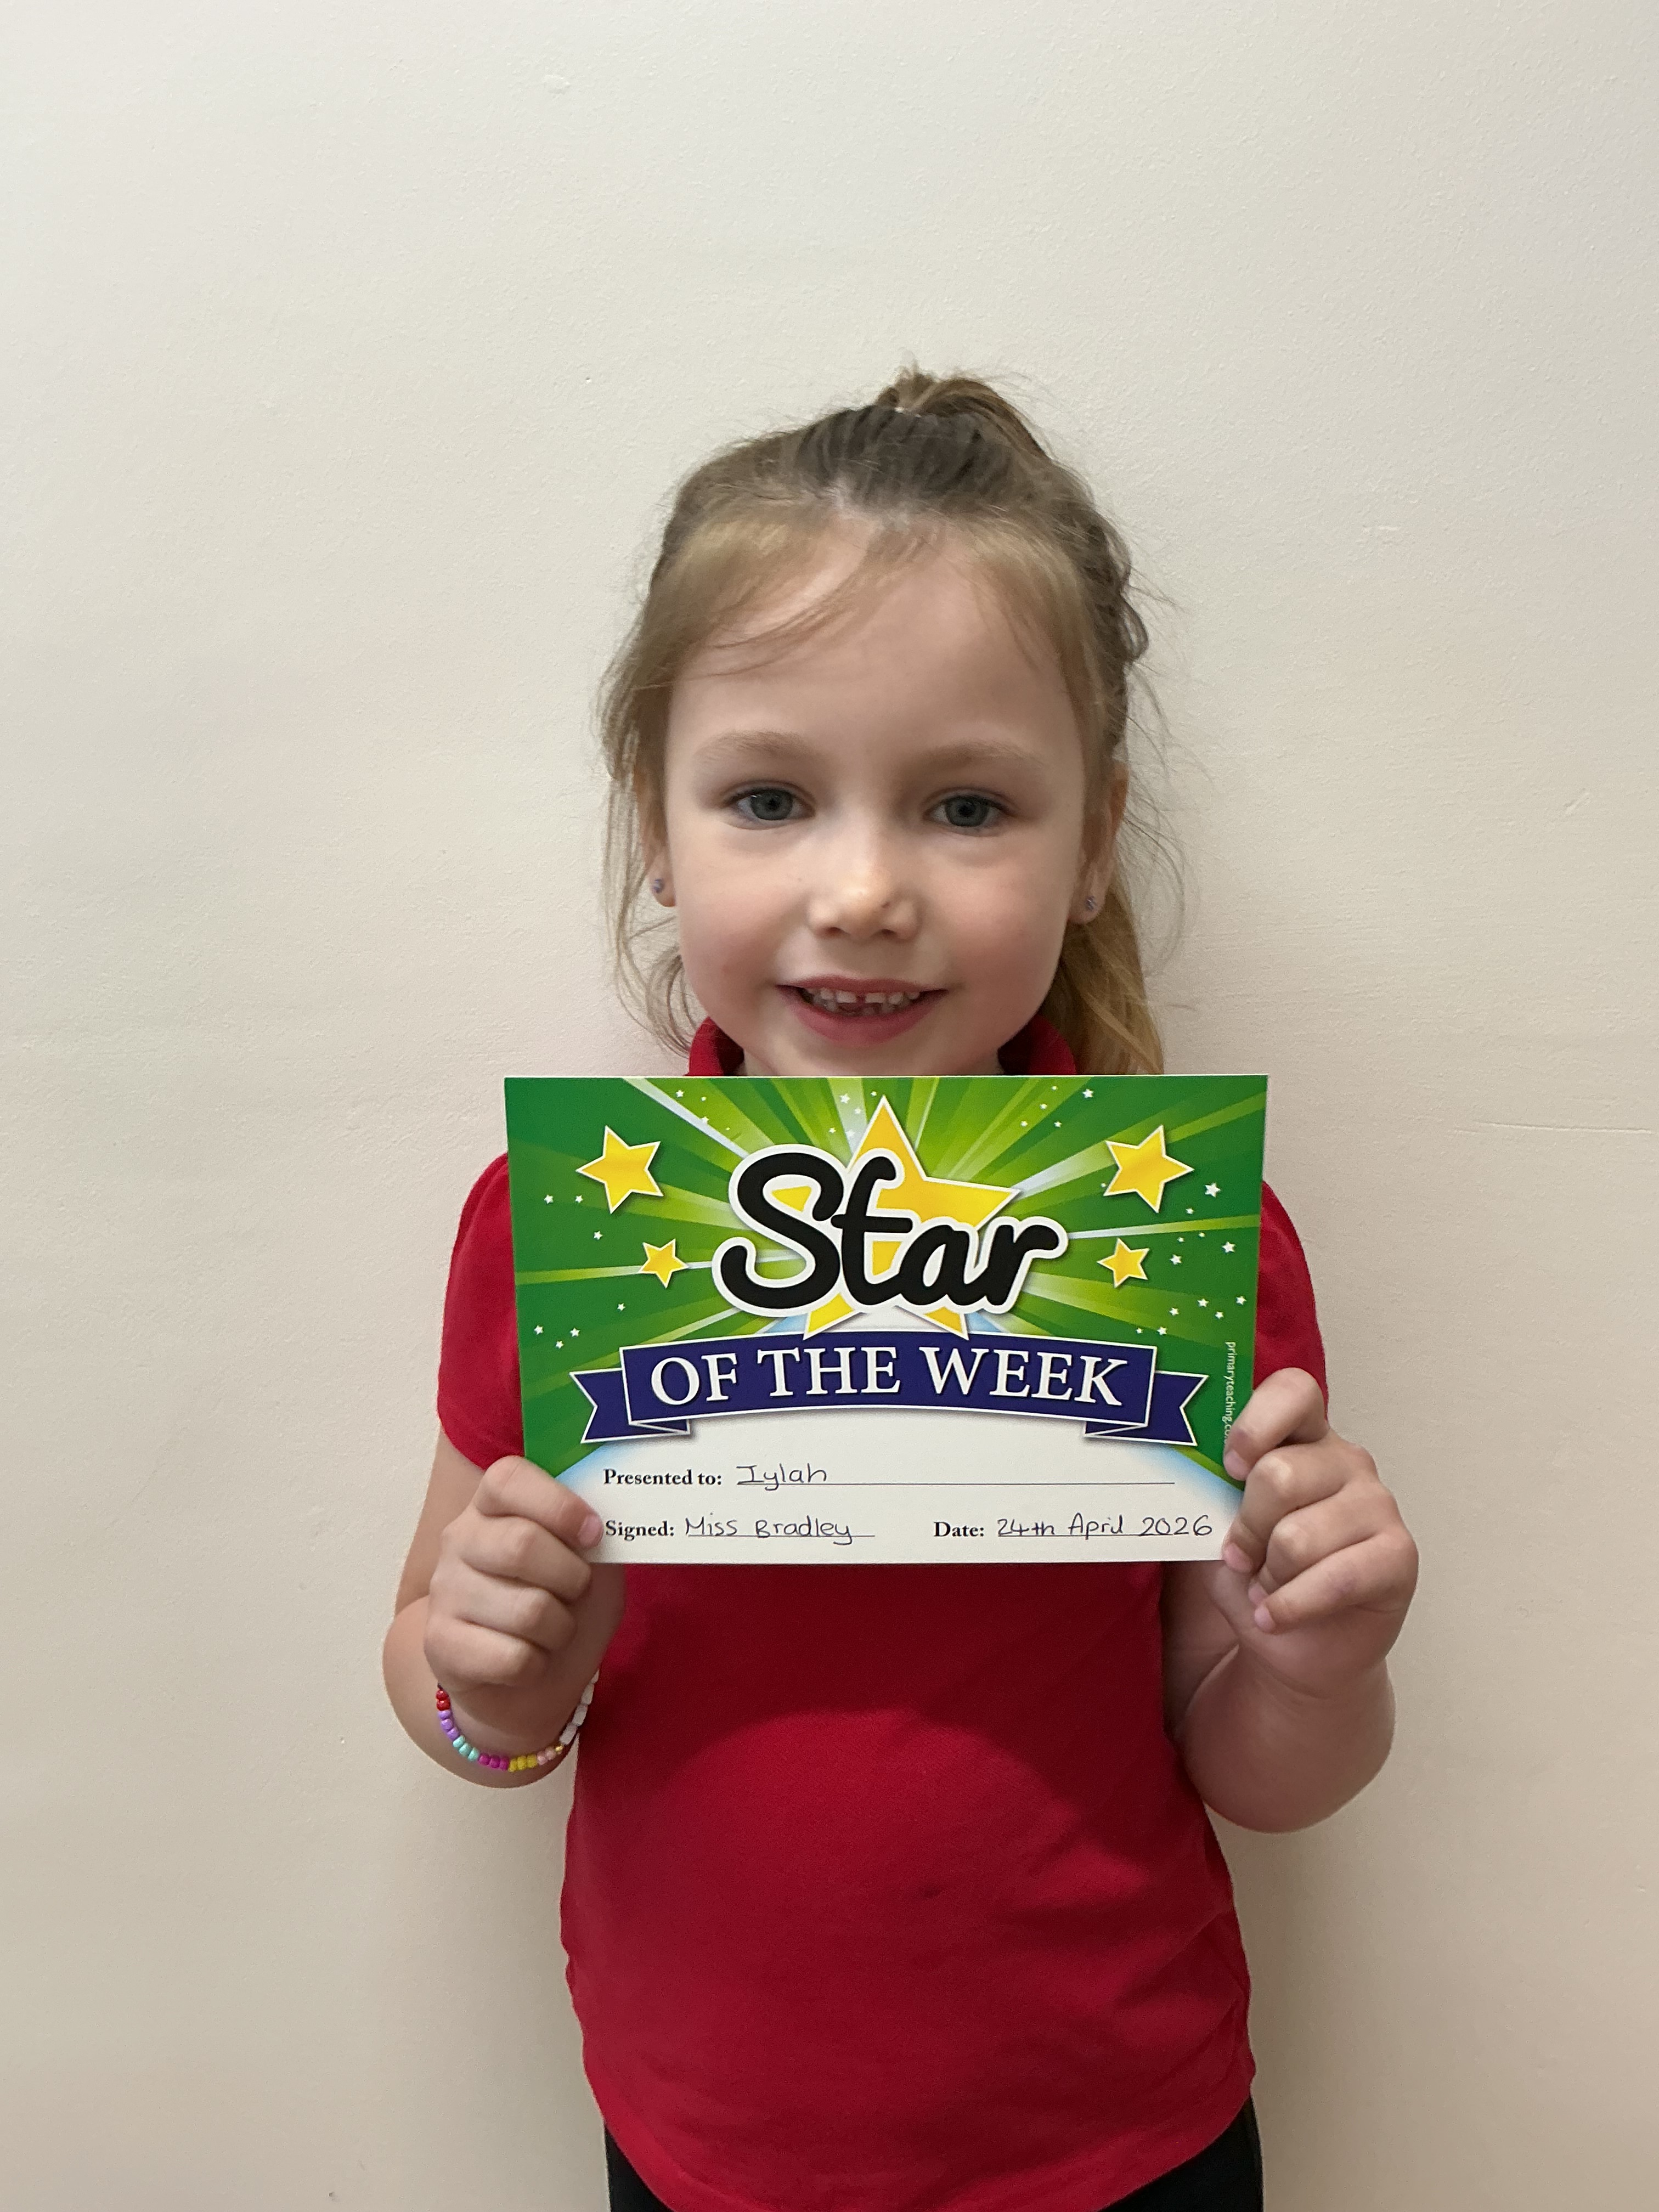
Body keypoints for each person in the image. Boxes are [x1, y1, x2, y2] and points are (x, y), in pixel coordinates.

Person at [382, 370, 1419, 2212]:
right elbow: (458, 1707)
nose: (862, 890)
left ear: (1092, 841)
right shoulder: (557, 1235)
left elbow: (1260, 1771)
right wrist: (493, 1685)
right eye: (771, 797)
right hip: (707, 2143)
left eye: (965, 805)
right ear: (657, 823)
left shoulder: (1185, 1244)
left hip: (1127, 2135)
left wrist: (1320, 1663)